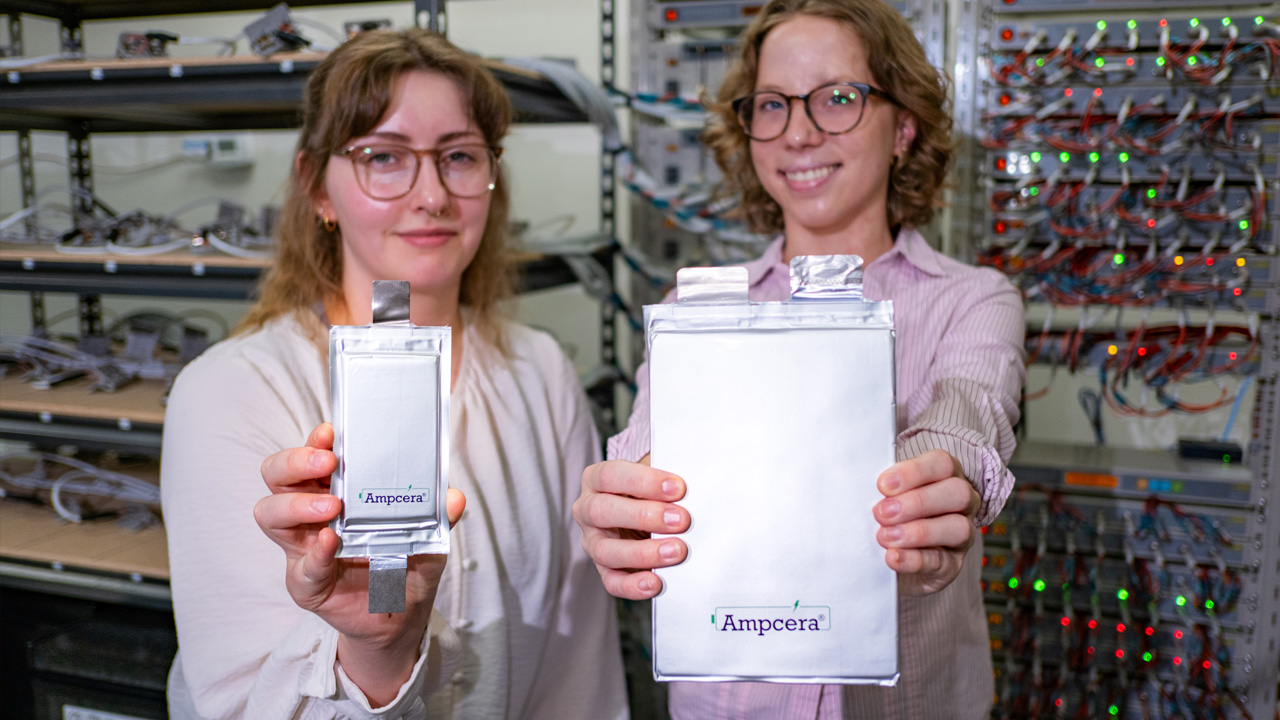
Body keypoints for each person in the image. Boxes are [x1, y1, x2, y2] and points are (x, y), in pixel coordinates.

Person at [573, 0, 1026, 718]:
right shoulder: (695, 314)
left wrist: (935, 487)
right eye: (773, 104)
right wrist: (626, 504)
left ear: (904, 127)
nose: (799, 133)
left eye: (838, 98)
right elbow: (650, 448)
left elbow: (967, 419)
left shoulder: (973, 300)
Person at [161, 28, 627, 719]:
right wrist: (376, 649)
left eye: (459, 156)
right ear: (317, 186)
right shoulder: (230, 393)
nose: (432, 195)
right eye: (384, 157)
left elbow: (578, 663)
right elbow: (235, 703)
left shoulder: (539, 372)